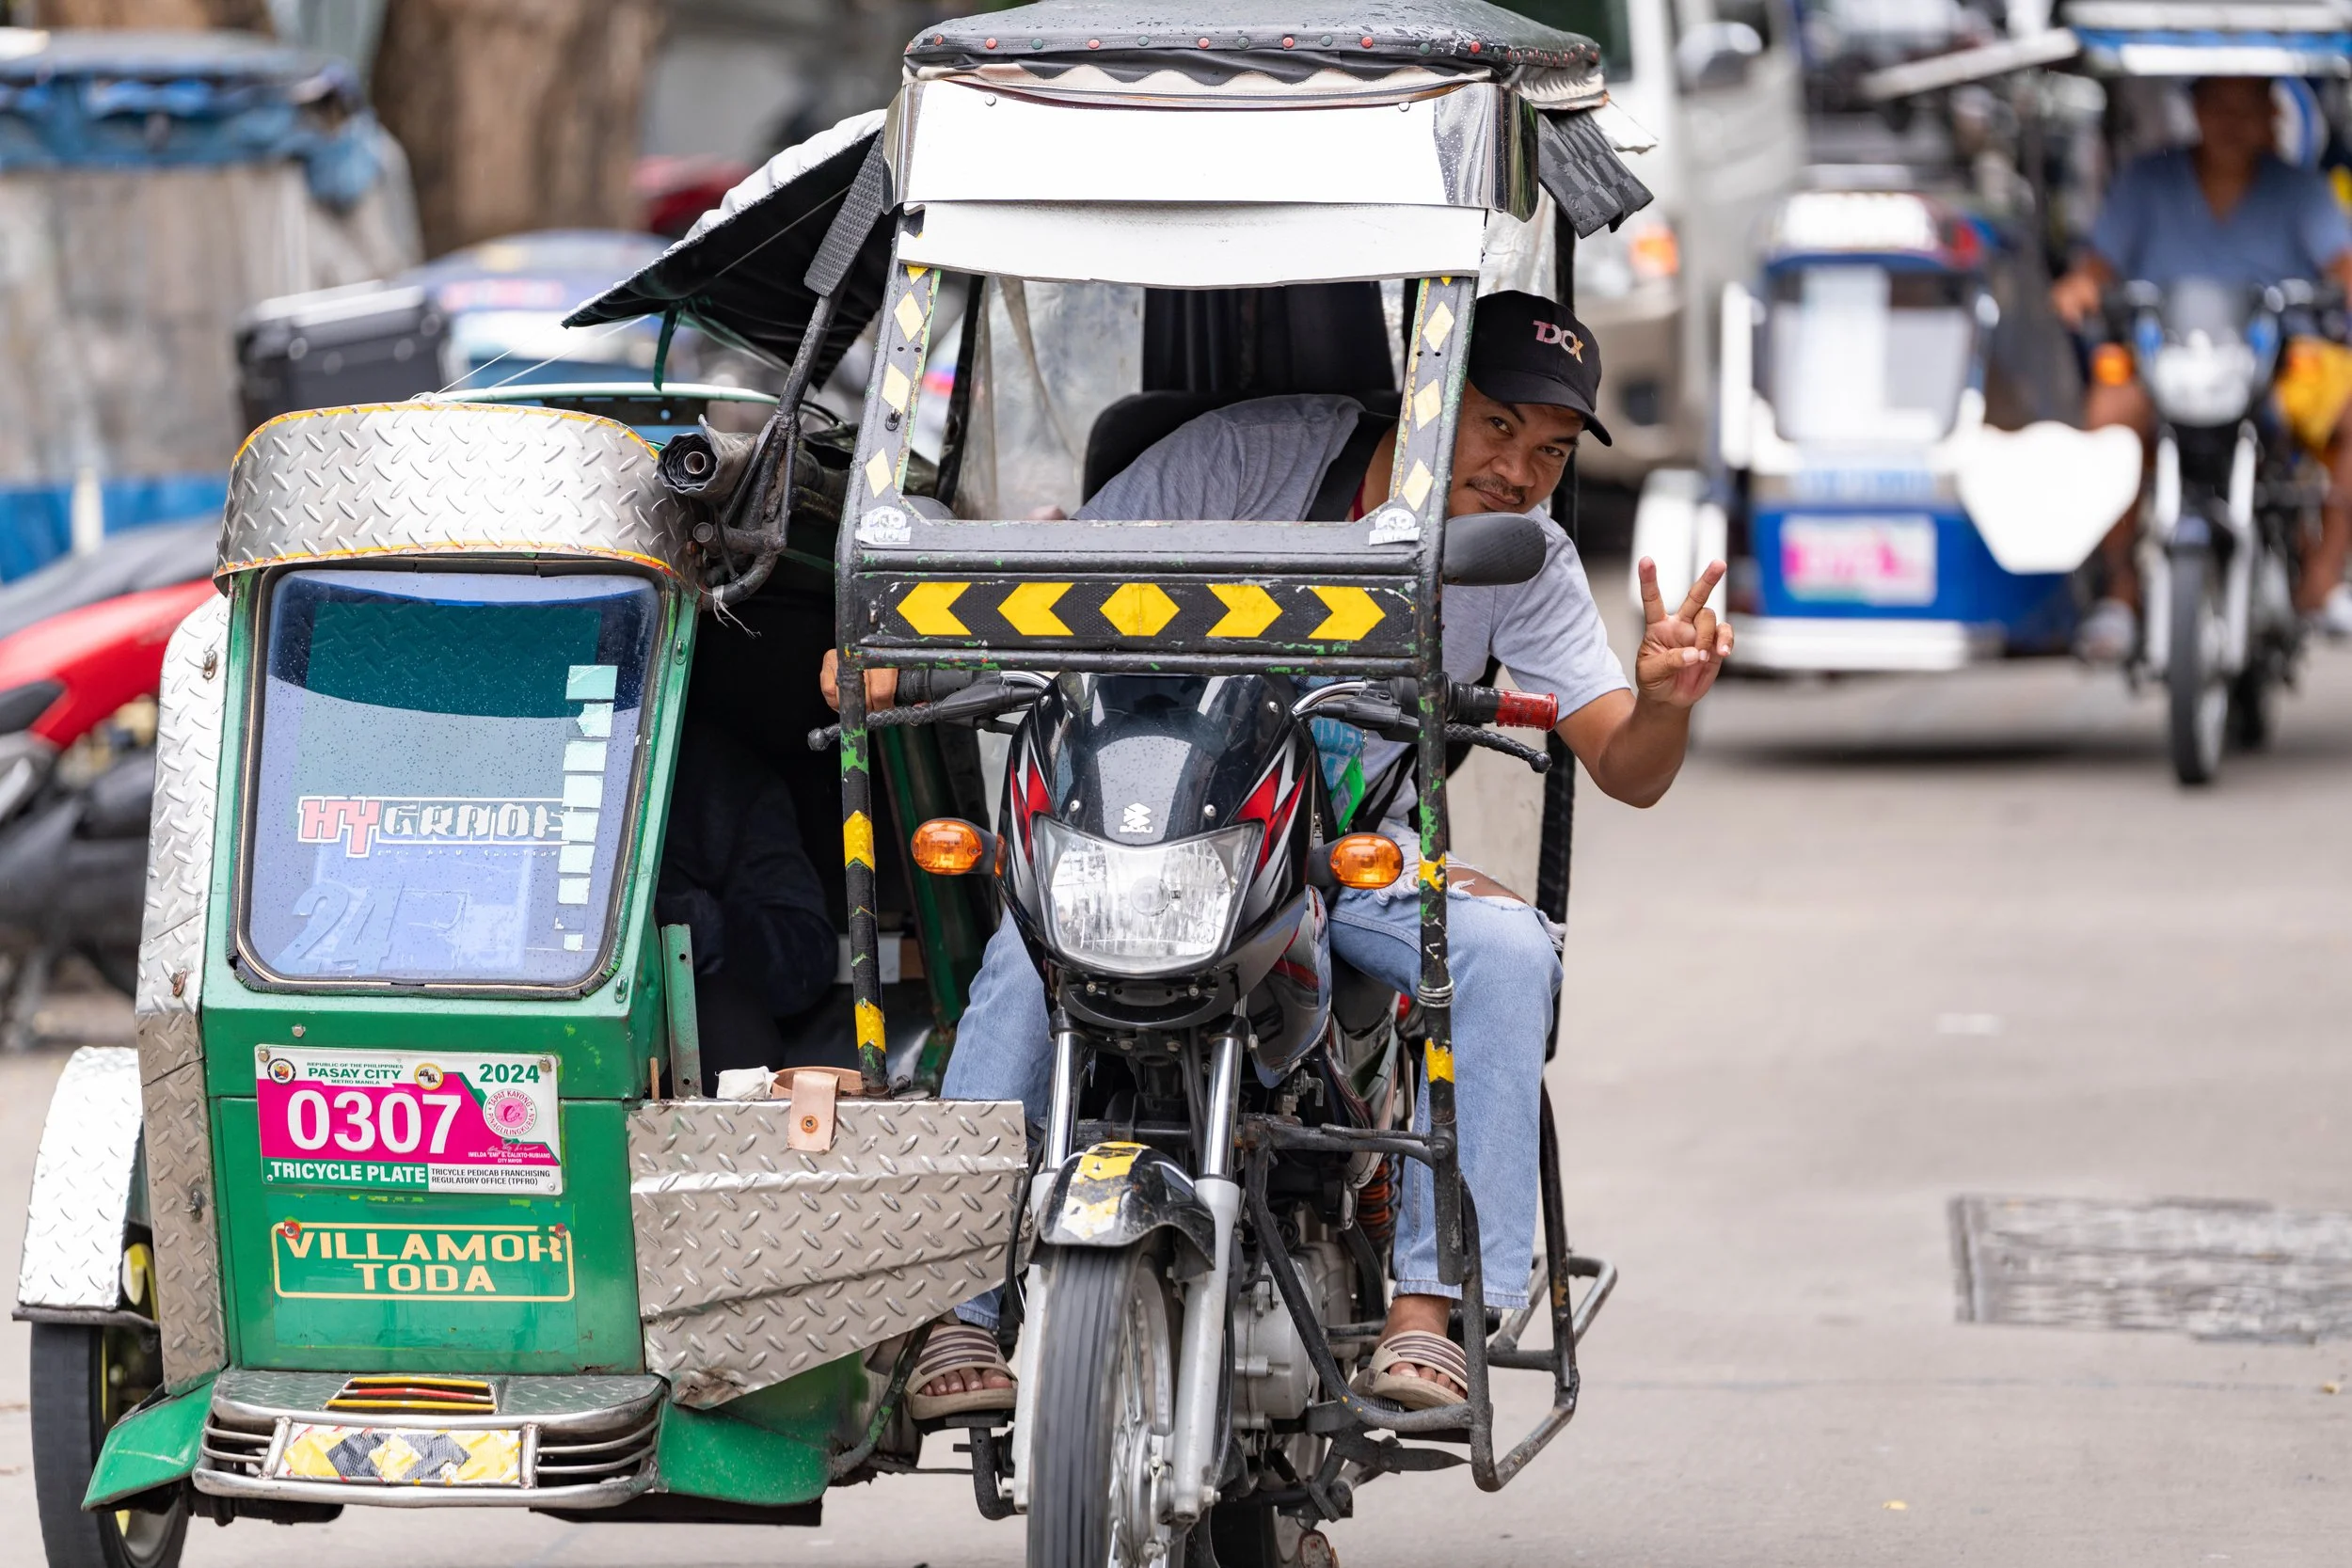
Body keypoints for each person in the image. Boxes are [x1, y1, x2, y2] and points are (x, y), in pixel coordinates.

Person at [823, 291, 1733, 1418]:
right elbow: (1053, 578)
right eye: (1497, 427)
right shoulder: (1250, 455)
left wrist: (1663, 701)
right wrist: (907, 643)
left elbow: (1624, 765)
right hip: (1151, 828)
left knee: (1501, 951)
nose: (1518, 471)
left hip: (1347, 851)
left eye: (1548, 451)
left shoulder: (1527, 559)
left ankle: (1427, 1310)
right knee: (1026, 957)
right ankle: (957, 1311)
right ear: (1427, 396)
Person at [2049, 75, 2352, 657]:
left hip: (2276, 371)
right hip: (2165, 367)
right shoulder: (2146, 182)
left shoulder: (2301, 191)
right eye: (2219, 107)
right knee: (2109, 413)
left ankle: (2324, 576)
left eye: (2247, 108)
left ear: (2273, 115)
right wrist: (2082, 288)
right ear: (2195, 111)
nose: (2232, 123)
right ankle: (2121, 592)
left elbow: (2340, 266)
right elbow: (2096, 267)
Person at [655, 721, 843, 1090]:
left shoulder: (709, 777)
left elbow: (804, 954)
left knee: (736, 1039)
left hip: (680, 1008)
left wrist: (678, 925)